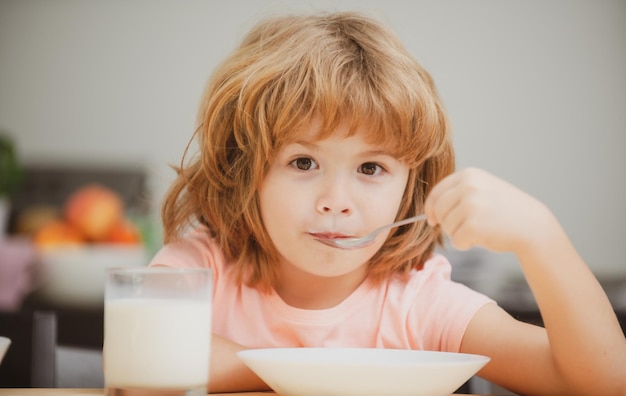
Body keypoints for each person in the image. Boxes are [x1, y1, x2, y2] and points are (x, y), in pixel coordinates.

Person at [149, 11, 626, 395]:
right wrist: (321, 372)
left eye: (370, 169)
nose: (336, 202)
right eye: (302, 163)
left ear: (410, 188)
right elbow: (144, 361)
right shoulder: (203, 265)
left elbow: (602, 382)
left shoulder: (420, 304)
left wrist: (540, 236)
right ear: (243, 168)